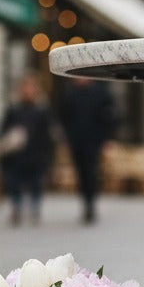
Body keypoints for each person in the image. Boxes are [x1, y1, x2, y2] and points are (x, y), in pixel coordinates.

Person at [0, 73, 55, 226]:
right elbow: (2, 130)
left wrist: (48, 153)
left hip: (36, 153)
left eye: (31, 87)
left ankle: (35, 207)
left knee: (36, 182)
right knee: (14, 182)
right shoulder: (13, 110)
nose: (28, 91)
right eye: (25, 87)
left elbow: (48, 134)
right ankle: (17, 207)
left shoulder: (42, 110)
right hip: (16, 154)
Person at [58, 76, 116, 224]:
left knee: (91, 173)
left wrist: (106, 138)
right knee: (81, 173)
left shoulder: (100, 93)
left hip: (93, 141)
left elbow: (109, 118)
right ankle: (85, 202)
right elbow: (64, 118)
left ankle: (90, 204)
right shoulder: (71, 94)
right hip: (76, 141)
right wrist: (67, 138)